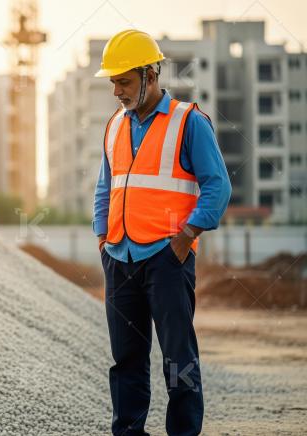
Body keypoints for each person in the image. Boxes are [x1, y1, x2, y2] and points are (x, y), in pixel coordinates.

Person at [92, 30, 231, 435]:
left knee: (178, 359)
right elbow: (106, 187)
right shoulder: (115, 125)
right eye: (113, 82)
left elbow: (218, 186)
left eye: (124, 81)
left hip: (167, 260)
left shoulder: (189, 122)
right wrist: (103, 238)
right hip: (119, 258)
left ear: (150, 75)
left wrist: (185, 238)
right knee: (126, 361)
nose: (116, 90)